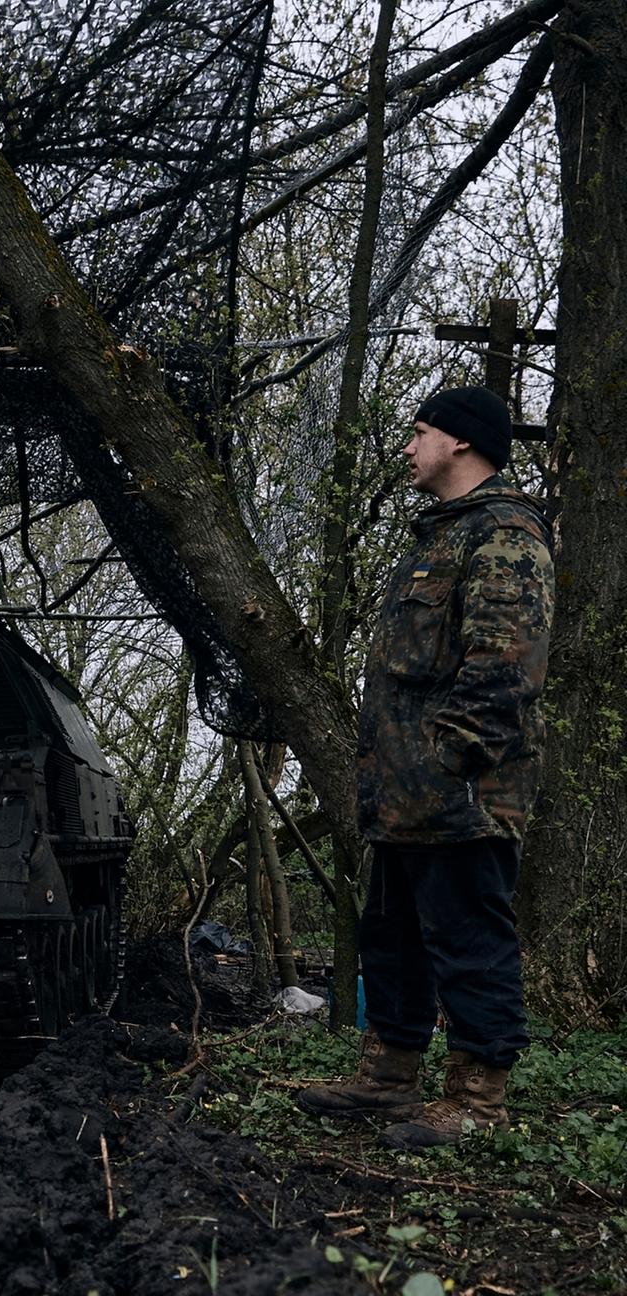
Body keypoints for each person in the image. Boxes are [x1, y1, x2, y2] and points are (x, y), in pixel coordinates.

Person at [297, 386, 554, 1149]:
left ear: (462, 444)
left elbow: (505, 670)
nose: (408, 448)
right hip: (403, 792)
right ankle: (388, 1078)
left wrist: (449, 763)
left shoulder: (503, 533)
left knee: (469, 940)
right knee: (395, 935)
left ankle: (478, 1099)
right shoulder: (438, 536)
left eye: (419, 433)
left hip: (461, 793)